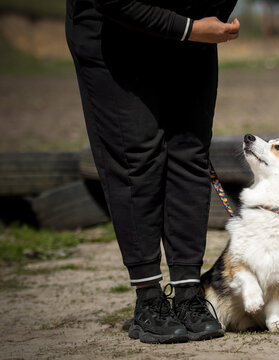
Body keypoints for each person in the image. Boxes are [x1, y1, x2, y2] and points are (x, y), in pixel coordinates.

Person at [65, 0, 239, 343]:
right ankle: (148, 299)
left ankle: (189, 294)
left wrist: (205, 23)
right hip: (114, 29)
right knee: (137, 157)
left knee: (190, 151)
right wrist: (189, 29)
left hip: (192, 29)